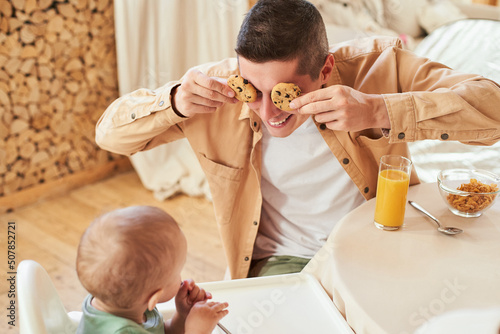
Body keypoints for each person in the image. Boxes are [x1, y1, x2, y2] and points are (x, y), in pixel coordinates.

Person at [95, 0, 500, 279]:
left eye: (285, 92)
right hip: (286, 259)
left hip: (383, 237)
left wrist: (379, 111)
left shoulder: (377, 67)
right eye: (253, 88)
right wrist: (173, 104)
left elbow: (492, 107)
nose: (268, 112)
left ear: (325, 68)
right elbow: (109, 135)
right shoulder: (213, 91)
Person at [76, 206, 228, 333]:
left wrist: (182, 317)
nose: (182, 279)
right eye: (177, 274)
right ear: (153, 298)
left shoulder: (122, 302)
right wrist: (197, 331)